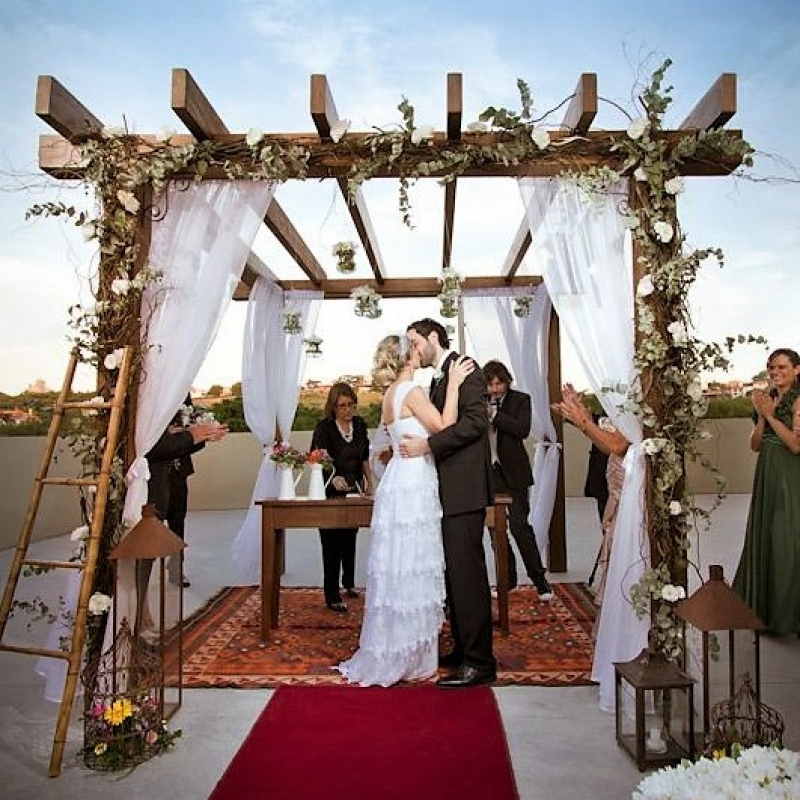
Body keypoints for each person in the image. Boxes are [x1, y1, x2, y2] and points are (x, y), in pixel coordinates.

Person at [337, 335, 473, 686]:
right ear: (408, 356)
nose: (420, 349)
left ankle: (401, 647)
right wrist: (455, 385)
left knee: (400, 564)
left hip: (400, 478)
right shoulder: (411, 392)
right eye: (414, 346)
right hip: (413, 482)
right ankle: (412, 658)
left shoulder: (389, 395)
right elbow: (445, 427)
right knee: (412, 561)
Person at [400, 318, 496, 688]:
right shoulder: (441, 377)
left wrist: (429, 446)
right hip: (447, 492)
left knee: (468, 576)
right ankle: (463, 648)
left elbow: (476, 423)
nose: (413, 350)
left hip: (464, 491)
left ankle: (480, 663)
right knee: (454, 575)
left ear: (433, 338)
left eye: (415, 342)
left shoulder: (465, 368)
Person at [136, 401, 228, 633]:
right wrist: (191, 435)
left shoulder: (179, 405)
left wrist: (201, 436)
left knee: (178, 522)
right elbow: (155, 446)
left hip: (175, 477)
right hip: (152, 484)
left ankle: (176, 569)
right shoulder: (150, 406)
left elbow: (180, 444)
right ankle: (136, 614)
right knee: (146, 546)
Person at [733, 347, 800, 635]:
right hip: (766, 474)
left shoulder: (799, 400)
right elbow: (755, 445)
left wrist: (772, 417)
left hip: (790, 475)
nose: (776, 372)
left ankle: (788, 616)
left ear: (797, 369)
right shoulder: (767, 398)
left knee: (787, 538)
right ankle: (762, 612)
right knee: (766, 536)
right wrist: (762, 416)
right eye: (772, 367)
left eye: (783, 367)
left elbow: (796, 446)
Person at [550, 384, 629, 608]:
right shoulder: (614, 408)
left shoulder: (632, 408)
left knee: (622, 548)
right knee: (610, 539)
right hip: (611, 484)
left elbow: (615, 444)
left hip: (627, 487)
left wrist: (581, 420)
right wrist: (580, 414)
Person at [483, 359, 553, 601]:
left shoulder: (520, 400)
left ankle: (540, 581)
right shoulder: (477, 403)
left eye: (499, 383)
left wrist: (494, 415)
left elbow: (522, 429)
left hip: (515, 473)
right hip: (489, 475)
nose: (495, 389)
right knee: (495, 532)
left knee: (521, 528)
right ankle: (507, 581)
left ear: (507, 382)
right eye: (490, 384)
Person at [310, 382, 372, 613]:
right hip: (329, 491)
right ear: (333, 407)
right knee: (331, 542)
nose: (347, 410)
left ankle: (348, 582)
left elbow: (364, 456)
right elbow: (317, 457)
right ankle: (332, 594)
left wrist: (370, 482)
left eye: (351, 405)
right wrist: (333, 476)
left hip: (354, 489)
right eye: (342, 406)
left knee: (350, 538)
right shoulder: (324, 428)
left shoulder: (360, 425)